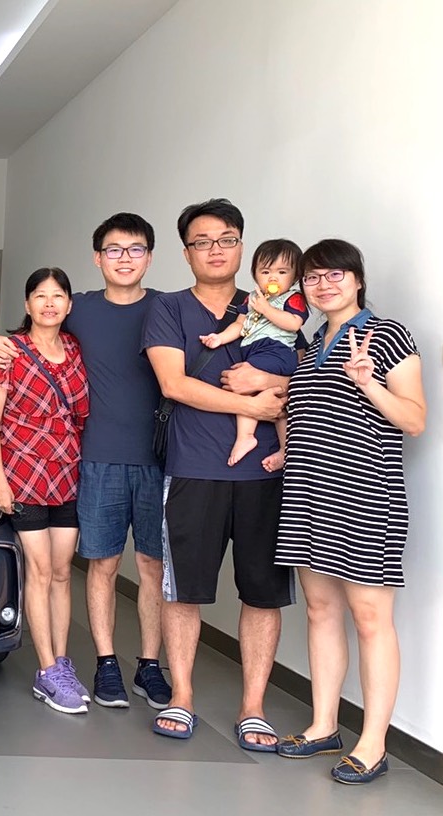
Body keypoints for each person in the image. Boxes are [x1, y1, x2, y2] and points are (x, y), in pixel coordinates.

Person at [0, 212, 173, 710]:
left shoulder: (167, 308)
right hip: (90, 463)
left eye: (135, 249)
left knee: (150, 567)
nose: (124, 258)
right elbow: (16, 345)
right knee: (98, 566)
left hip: (149, 460)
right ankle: (102, 665)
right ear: (97, 258)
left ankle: (149, 666)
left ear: (150, 256)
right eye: (114, 249)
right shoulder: (80, 309)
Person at [274, 239, 425, 785]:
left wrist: (368, 383)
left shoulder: (386, 335)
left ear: (357, 279)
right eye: (313, 277)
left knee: (369, 618)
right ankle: (323, 726)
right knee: (320, 611)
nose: (324, 284)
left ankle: (374, 744)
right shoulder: (311, 342)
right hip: (307, 496)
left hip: (365, 497)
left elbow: (415, 419)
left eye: (335, 274)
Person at [141, 198, 289, 748]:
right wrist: (250, 404)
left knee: (263, 595)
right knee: (184, 592)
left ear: (242, 246)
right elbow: (174, 384)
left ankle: (254, 707)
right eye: (202, 242)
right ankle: (181, 696)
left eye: (226, 239)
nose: (216, 250)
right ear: (186, 253)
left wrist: (269, 385)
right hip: (193, 469)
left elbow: (305, 373)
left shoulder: (273, 307)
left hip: (264, 475)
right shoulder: (169, 308)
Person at [0, 267, 91, 714]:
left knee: (63, 572)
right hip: (24, 475)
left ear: (69, 304)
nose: (49, 303)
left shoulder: (76, 349)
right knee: (40, 571)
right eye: (40, 296)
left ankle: (62, 663)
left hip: (68, 474)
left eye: (58, 295)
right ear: (27, 304)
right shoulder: (6, 354)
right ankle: (47, 671)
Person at [199, 239, 308, 471]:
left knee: (244, 384)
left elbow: (294, 323)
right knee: (278, 402)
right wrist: (219, 338)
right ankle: (285, 449)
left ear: (295, 276)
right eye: (265, 272)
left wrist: (266, 309)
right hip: (256, 350)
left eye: (282, 272)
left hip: (276, 350)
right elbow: (240, 325)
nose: (273, 278)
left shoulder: (293, 298)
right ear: (255, 274)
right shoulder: (252, 298)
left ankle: (246, 436)